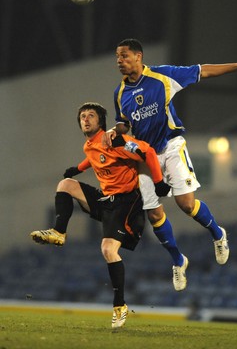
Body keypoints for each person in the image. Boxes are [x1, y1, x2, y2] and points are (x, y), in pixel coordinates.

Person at [104, 38, 237, 268]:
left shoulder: (163, 76)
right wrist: (114, 130)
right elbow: (124, 123)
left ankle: (218, 234)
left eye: (124, 56)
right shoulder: (120, 93)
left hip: (170, 145)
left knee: (187, 204)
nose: (119, 61)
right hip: (144, 156)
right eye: (117, 57)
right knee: (153, 216)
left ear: (138, 56)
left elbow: (204, 71)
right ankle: (179, 261)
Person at [30, 102, 172, 329]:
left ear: (100, 122)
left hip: (126, 203)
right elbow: (94, 156)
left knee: (108, 250)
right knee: (66, 184)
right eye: (82, 116)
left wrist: (158, 182)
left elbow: (148, 152)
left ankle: (119, 306)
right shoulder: (90, 145)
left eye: (91, 116)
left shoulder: (115, 140)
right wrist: (78, 169)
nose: (85, 119)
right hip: (106, 200)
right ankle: (58, 232)